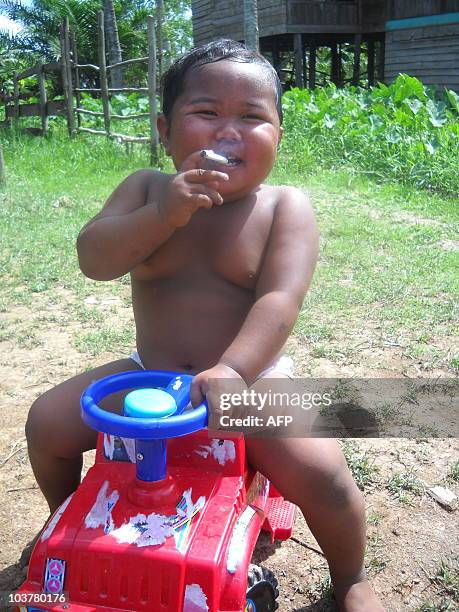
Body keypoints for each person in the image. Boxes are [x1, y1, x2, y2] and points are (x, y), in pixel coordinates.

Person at [25, 40, 384, 611]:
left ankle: (350, 579)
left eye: (252, 117)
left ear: (278, 136)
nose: (228, 131)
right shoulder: (145, 189)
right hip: (151, 377)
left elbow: (278, 301)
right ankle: (68, 526)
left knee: (325, 476)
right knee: (47, 423)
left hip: (249, 381)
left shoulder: (283, 208)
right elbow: (95, 260)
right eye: (207, 112)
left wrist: (234, 370)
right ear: (166, 130)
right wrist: (164, 213)